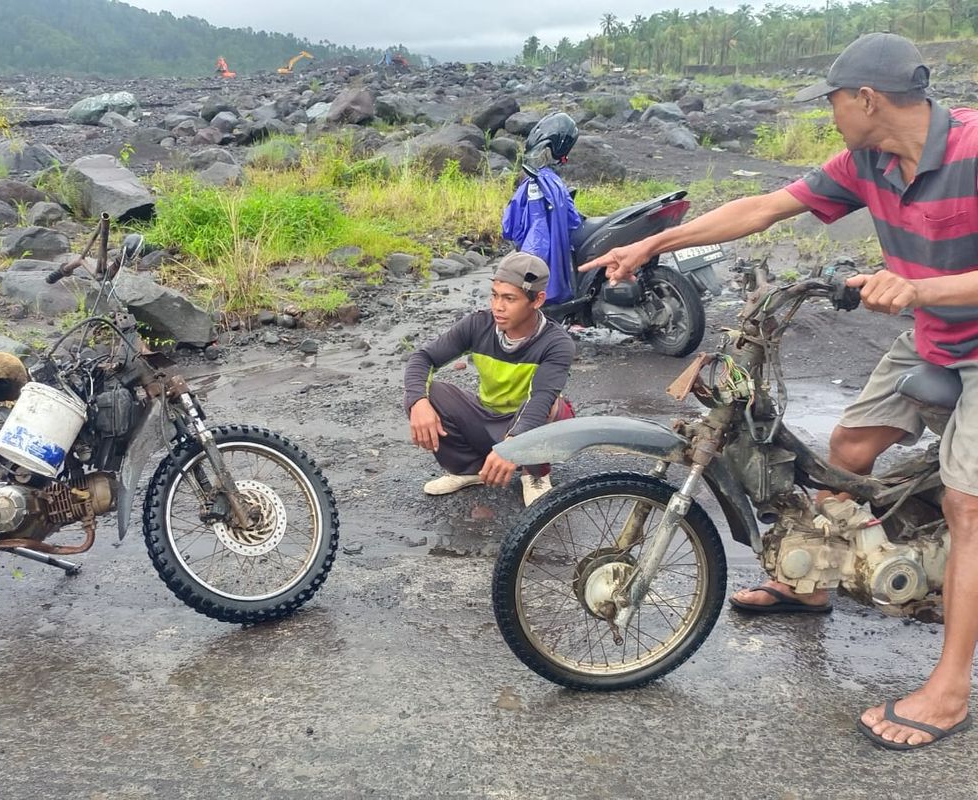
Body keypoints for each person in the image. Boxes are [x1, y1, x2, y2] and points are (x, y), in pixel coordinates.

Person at [580, 32, 978, 750]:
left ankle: (949, 690)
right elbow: (764, 207)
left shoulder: (973, 150)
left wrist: (920, 288)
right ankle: (812, 583)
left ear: (867, 99)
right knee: (846, 451)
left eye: (834, 102)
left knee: (965, 504)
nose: (831, 114)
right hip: (932, 336)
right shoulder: (866, 162)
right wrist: (652, 244)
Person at [404, 252, 576, 507]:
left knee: (552, 406)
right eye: (495, 295)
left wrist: (512, 447)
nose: (498, 306)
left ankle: (535, 473)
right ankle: (469, 469)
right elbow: (423, 357)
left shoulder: (557, 343)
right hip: (488, 418)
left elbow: (540, 400)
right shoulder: (478, 325)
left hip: (530, 422)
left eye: (509, 298)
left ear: (537, 300)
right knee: (430, 393)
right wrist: (418, 402)